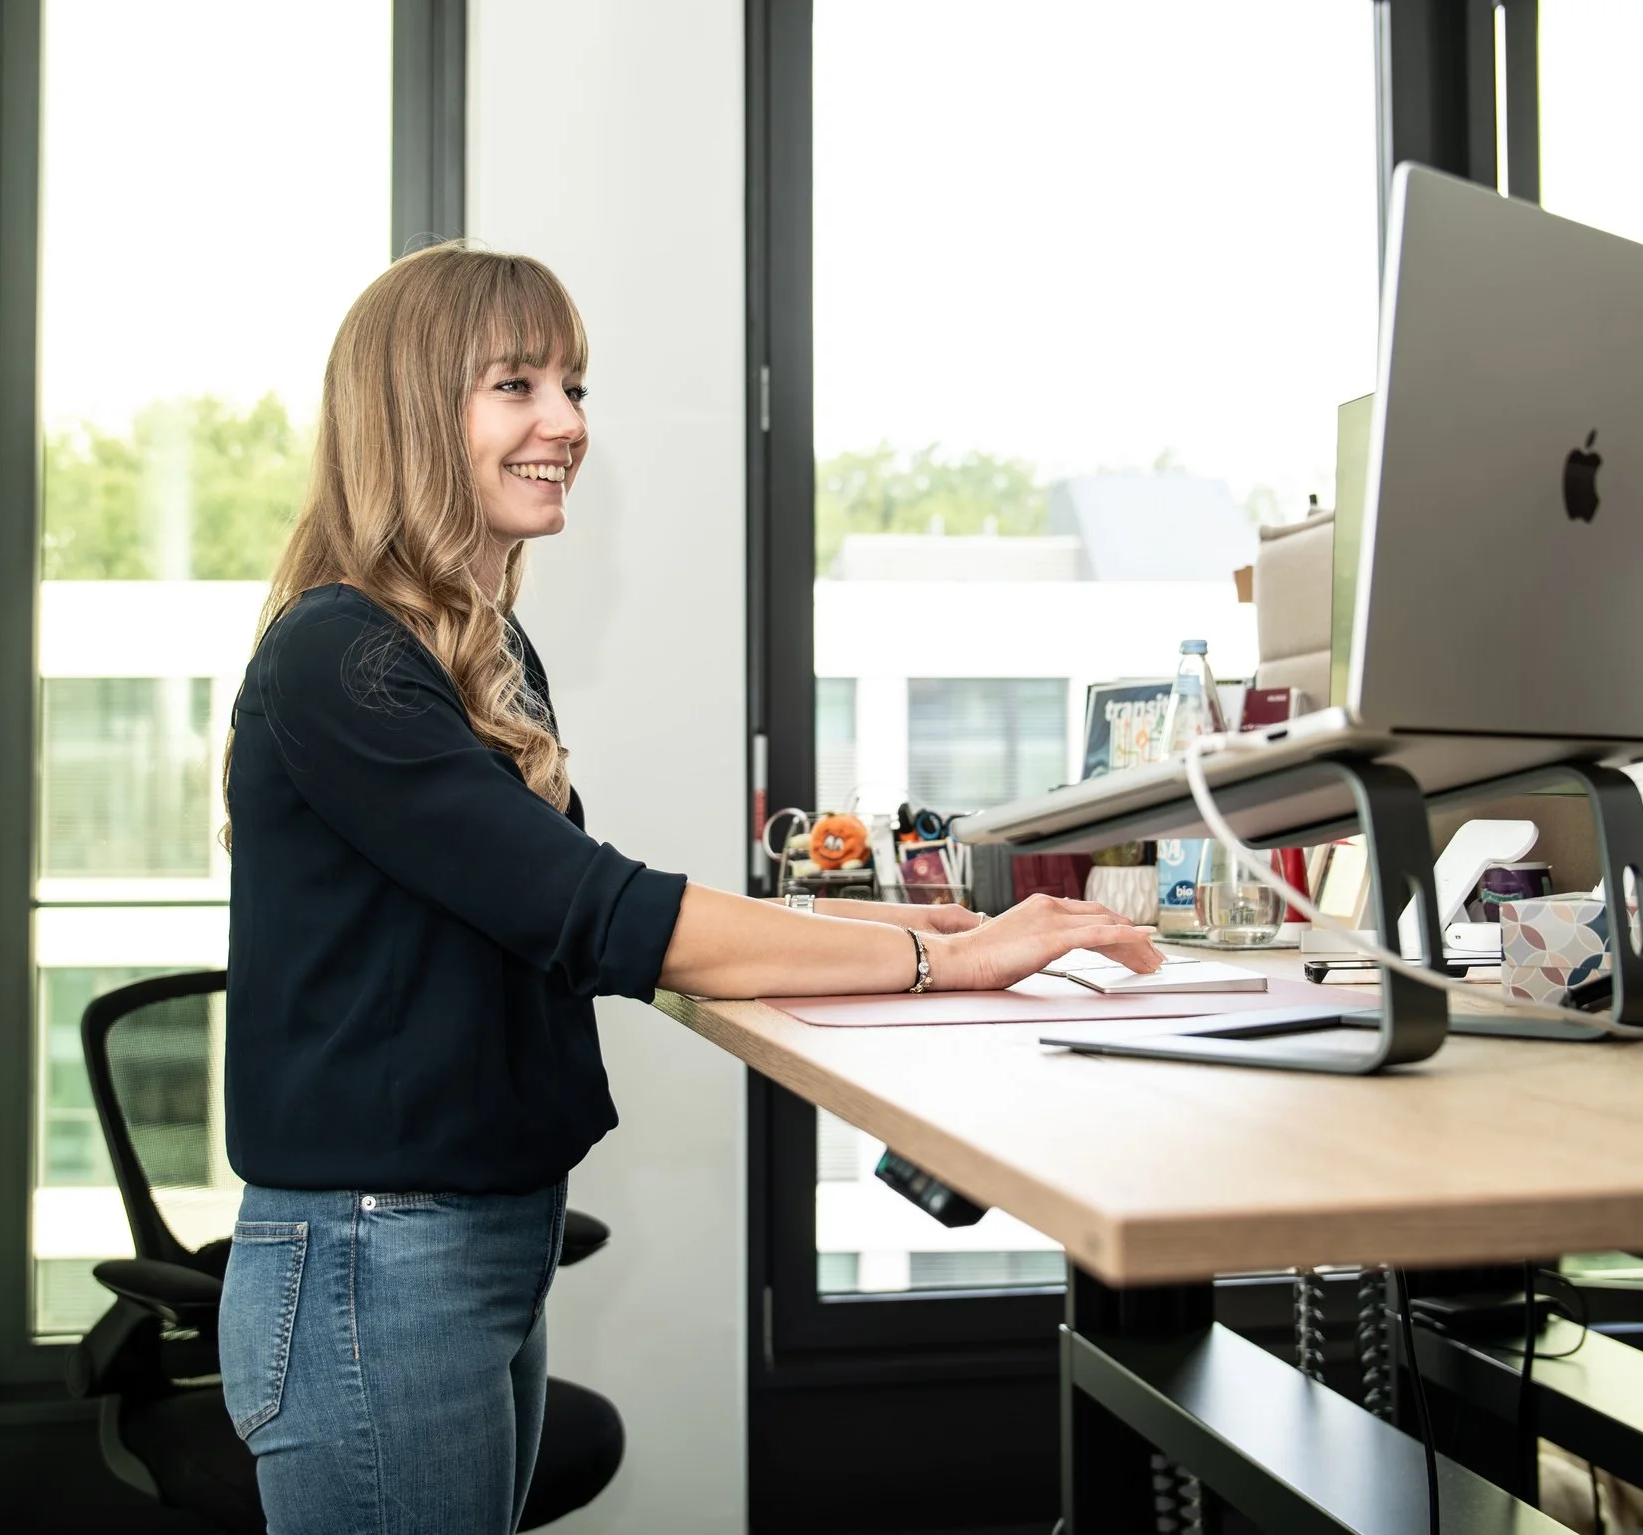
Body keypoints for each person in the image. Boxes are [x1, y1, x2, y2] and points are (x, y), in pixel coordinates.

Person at [213, 243, 1161, 1535]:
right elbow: (598, 916)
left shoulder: (471, 649)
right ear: (416, 409)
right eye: (518, 384)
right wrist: (952, 964)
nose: (568, 422)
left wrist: (887, 921)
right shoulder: (344, 659)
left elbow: (560, 905)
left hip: (462, 1240)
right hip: (378, 1260)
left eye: (576, 385)